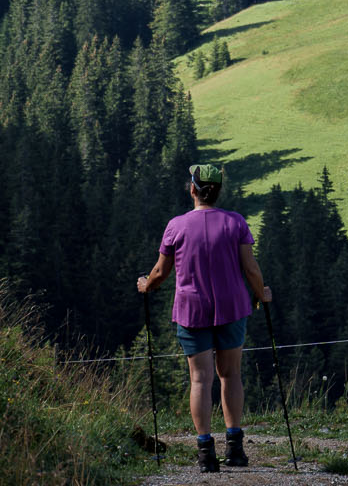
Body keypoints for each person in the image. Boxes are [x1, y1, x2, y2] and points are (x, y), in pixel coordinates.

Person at [138, 164, 272, 472]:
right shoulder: (235, 223)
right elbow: (250, 269)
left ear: (192, 189)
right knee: (231, 374)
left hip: (191, 310)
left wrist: (147, 285)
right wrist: (260, 294)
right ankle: (235, 449)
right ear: (218, 191)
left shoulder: (176, 226)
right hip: (233, 308)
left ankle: (205, 454)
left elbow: (160, 272)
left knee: (200, 378)